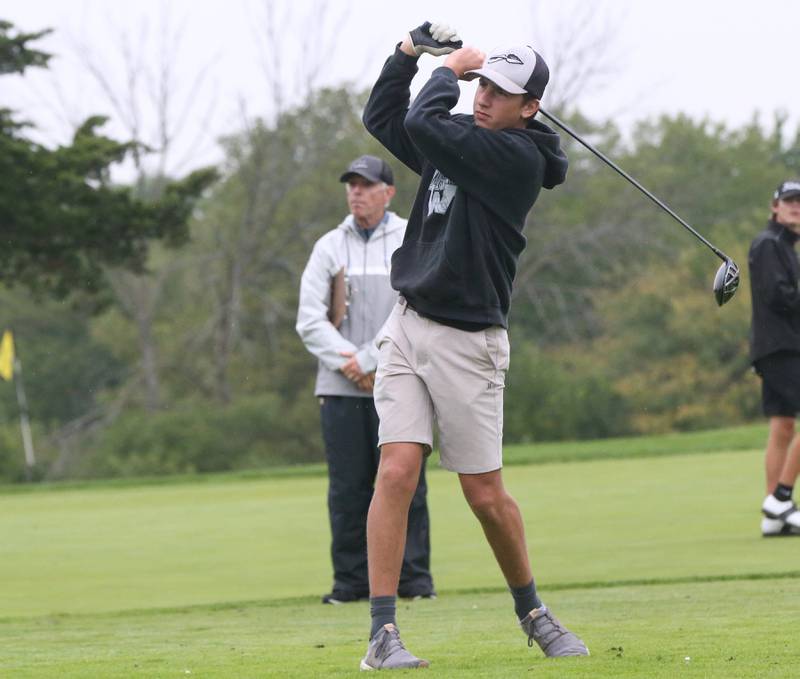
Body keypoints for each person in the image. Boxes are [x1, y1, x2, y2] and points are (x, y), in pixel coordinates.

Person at [358, 22, 588, 670]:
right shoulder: (459, 140)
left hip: (470, 342)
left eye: (499, 90)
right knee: (397, 468)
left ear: (529, 108)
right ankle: (382, 634)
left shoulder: (514, 161)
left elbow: (430, 124)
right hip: (408, 324)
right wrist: (408, 52)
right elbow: (384, 115)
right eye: (482, 84)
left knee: (484, 495)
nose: (483, 96)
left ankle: (533, 611)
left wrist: (451, 66)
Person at [296, 155, 435, 605]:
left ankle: (414, 581)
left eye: (366, 184)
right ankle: (351, 583)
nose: (356, 191)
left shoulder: (408, 238)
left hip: (399, 381)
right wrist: (351, 363)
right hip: (340, 385)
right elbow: (308, 320)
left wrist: (370, 359)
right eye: (351, 184)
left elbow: (410, 305)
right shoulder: (329, 246)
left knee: (405, 483)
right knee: (348, 488)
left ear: (388, 193)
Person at [748, 179, 800, 538]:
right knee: (785, 427)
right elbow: (781, 298)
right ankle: (781, 497)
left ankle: (773, 516)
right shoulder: (769, 244)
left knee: (783, 427)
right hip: (783, 347)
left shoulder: (784, 245)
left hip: (779, 347)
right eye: (790, 201)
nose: (796, 207)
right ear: (775, 206)